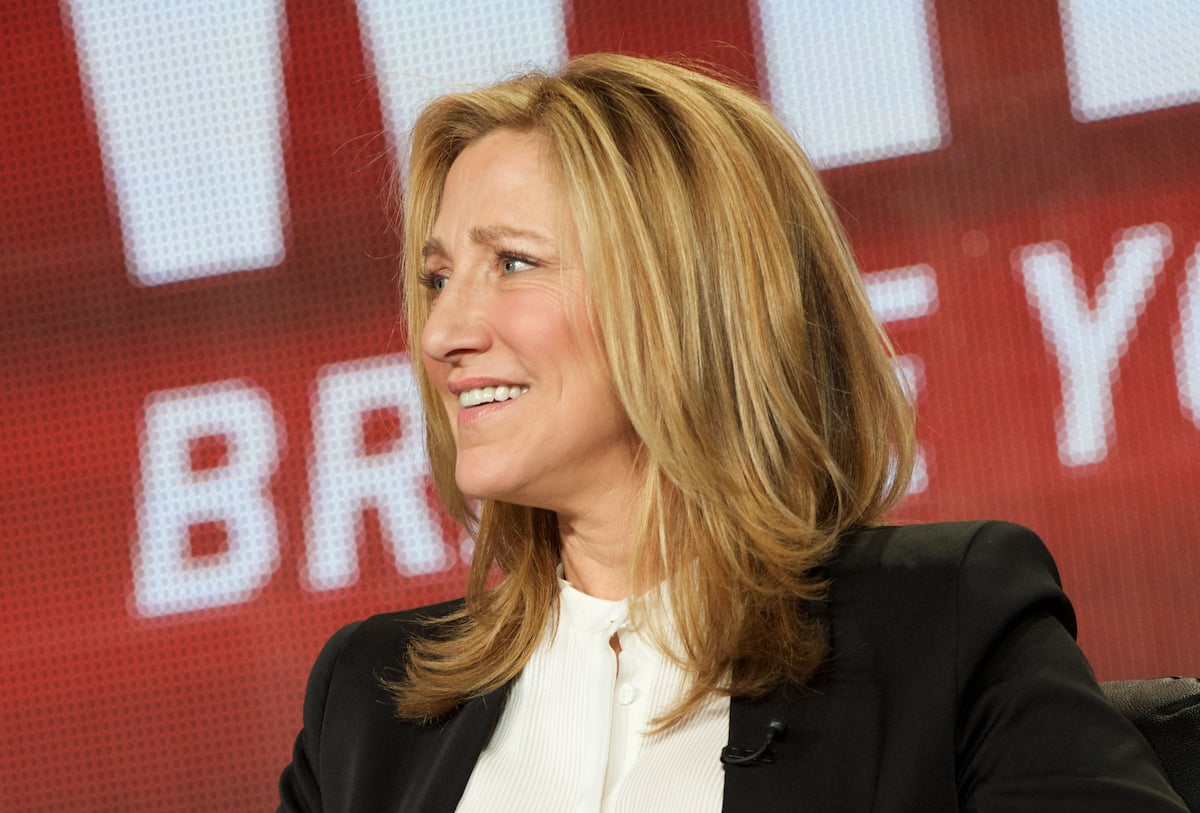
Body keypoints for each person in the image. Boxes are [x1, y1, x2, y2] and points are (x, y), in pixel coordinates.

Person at [277, 54, 1187, 812]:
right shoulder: (370, 699)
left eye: (513, 262)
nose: (442, 332)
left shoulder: (940, 629)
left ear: (688, 299)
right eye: (438, 279)